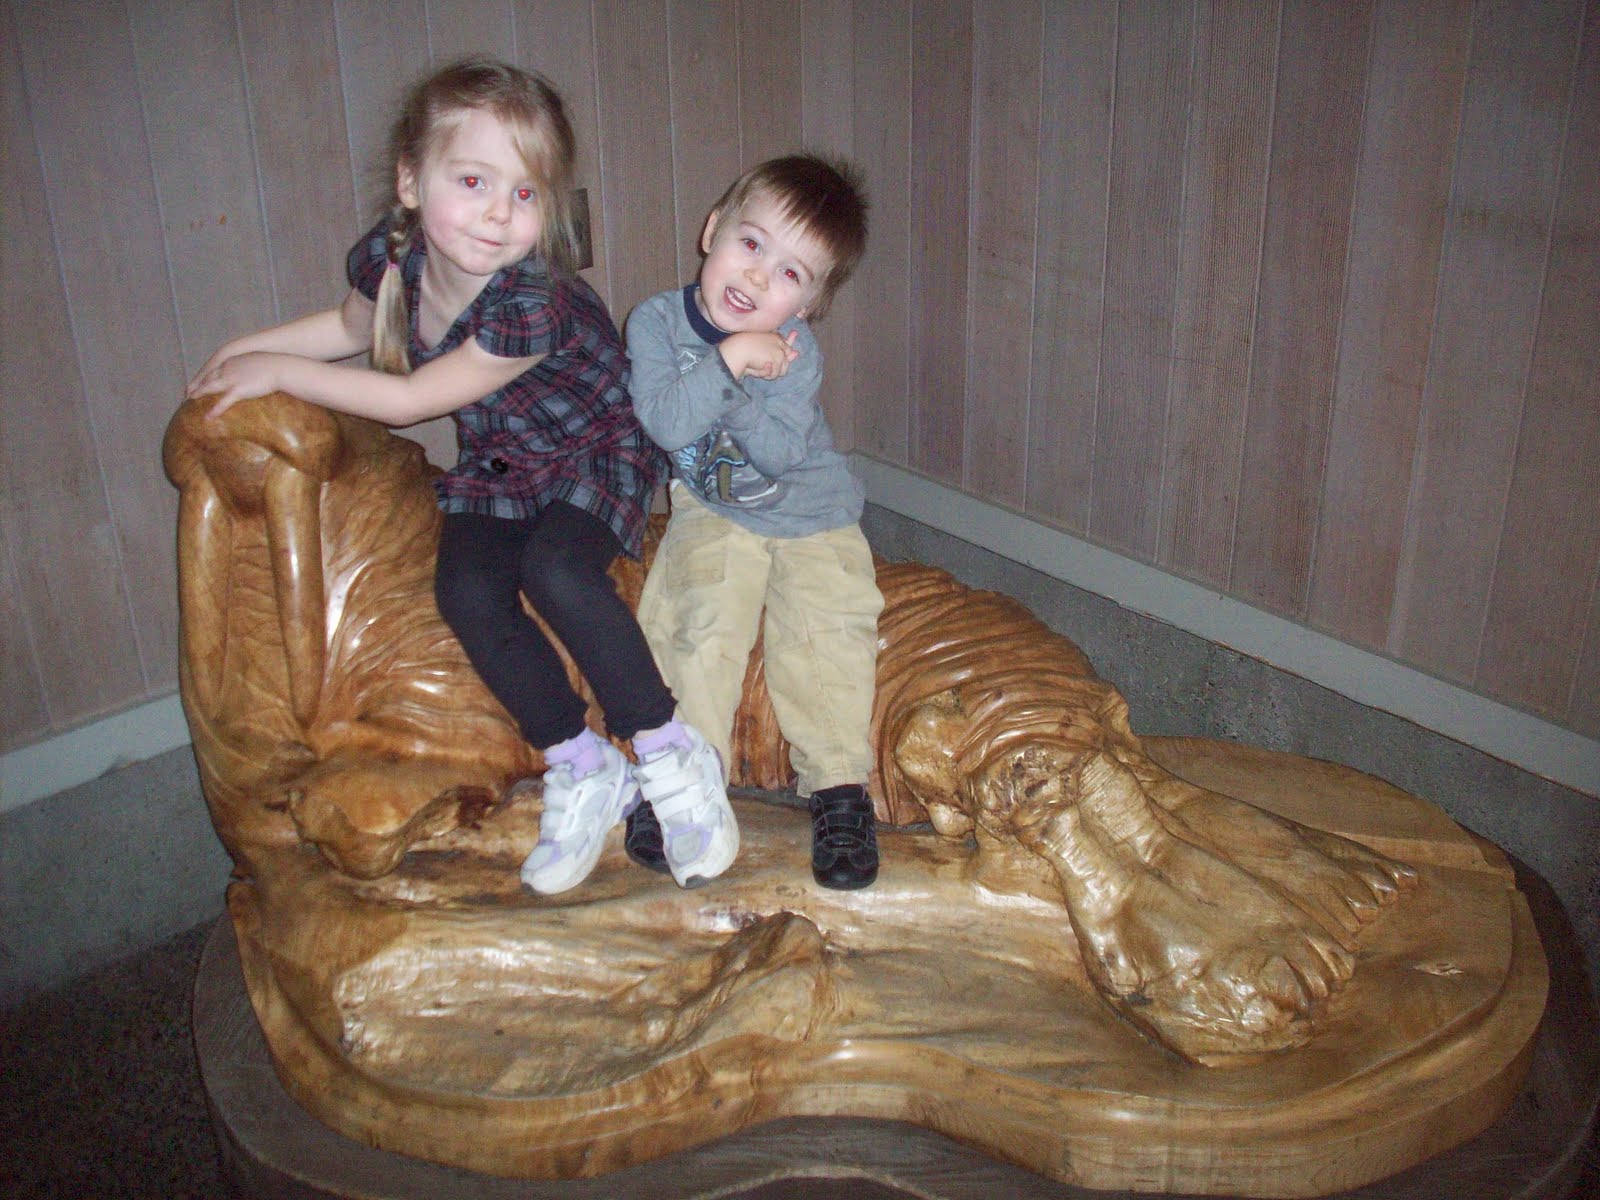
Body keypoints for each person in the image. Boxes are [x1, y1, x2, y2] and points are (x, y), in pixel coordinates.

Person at [184, 58, 736, 895]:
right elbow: (347, 329)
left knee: (555, 568)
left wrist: (278, 374)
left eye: (525, 192)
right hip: (502, 457)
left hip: (597, 447)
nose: (499, 212)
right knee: (467, 590)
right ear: (411, 181)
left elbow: (411, 399)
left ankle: (667, 749)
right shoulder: (392, 258)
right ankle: (581, 761)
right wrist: (242, 352)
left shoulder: (531, 300)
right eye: (473, 180)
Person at [625, 154, 883, 891]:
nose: (760, 278)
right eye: (751, 244)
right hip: (714, 506)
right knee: (697, 617)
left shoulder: (797, 352)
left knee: (831, 627)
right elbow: (667, 420)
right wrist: (733, 359)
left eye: (791, 273)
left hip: (814, 508)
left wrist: (737, 383)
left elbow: (778, 455)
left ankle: (840, 788)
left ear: (810, 303)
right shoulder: (654, 322)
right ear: (713, 230)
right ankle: (679, 780)